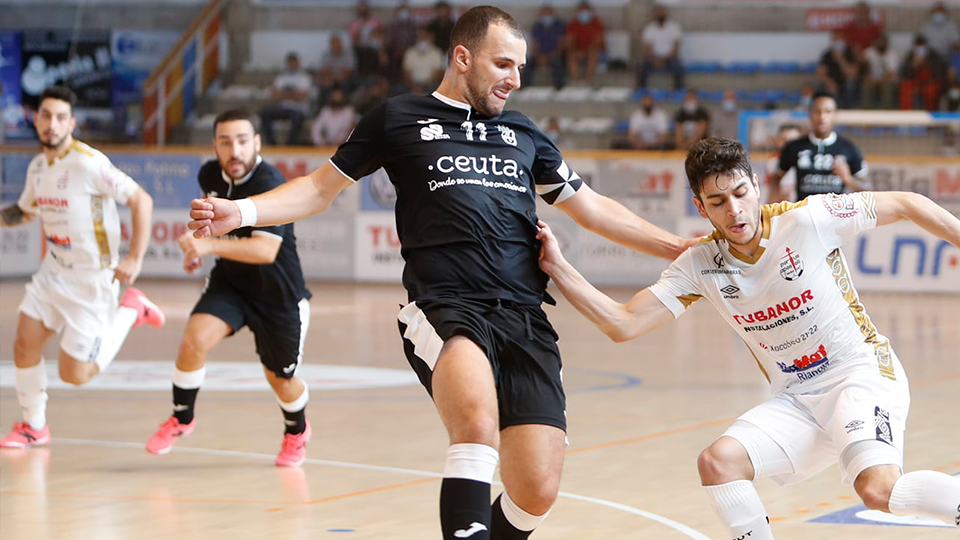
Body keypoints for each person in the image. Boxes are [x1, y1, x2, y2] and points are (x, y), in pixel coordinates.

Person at [186, 7, 691, 539]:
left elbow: (593, 208)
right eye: (502, 64)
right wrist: (241, 212)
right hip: (446, 306)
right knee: (476, 424)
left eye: (520, 67)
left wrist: (678, 245)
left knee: (536, 488)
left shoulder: (523, 133)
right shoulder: (397, 119)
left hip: (524, 315)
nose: (514, 79)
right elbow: (318, 188)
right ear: (462, 57)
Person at [536, 137, 960, 539]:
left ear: (757, 185)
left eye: (741, 193)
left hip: (860, 374)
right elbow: (622, 323)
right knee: (718, 463)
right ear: (700, 207)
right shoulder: (699, 264)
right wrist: (558, 267)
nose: (735, 210)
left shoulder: (808, 219)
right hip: (798, 396)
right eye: (718, 202)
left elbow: (908, 203)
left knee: (879, 491)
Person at [146, 110, 314, 467]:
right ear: (215, 146)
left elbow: (265, 250)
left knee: (281, 380)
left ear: (256, 143)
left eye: (241, 141)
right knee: (193, 340)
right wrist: (198, 246)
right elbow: (214, 227)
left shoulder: (272, 182)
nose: (233, 150)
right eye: (225, 142)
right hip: (232, 284)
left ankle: (296, 430)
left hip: (278, 296)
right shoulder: (209, 174)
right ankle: (182, 418)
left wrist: (207, 246)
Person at [0, 85, 164, 448]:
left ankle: (130, 309)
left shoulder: (88, 162)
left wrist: (135, 257)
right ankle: (34, 426)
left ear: (71, 123)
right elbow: (25, 211)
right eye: (46, 116)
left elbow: (141, 199)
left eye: (60, 118)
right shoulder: (38, 166)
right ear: (37, 119)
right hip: (51, 274)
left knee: (74, 374)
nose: (52, 124)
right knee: (24, 345)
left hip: (91, 282)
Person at [768, 90, 869, 203]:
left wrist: (848, 179)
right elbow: (776, 179)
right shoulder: (794, 147)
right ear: (810, 113)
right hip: (803, 215)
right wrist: (775, 203)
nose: (822, 117)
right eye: (817, 111)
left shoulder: (849, 148)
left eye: (828, 112)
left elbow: (867, 189)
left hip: (836, 217)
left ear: (835, 115)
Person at [259, 52, 314, 146]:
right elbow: (274, 96)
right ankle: (272, 144)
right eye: (290, 63)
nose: (292, 65)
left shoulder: (304, 78)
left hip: (298, 110)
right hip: (283, 109)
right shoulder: (281, 78)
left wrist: (283, 94)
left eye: (294, 62)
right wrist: (293, 94)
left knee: (297, 118)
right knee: (264, 113)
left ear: (298, 63)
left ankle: (290, 145)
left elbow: (301, 97)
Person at [637, 5, 684, 91]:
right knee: (641, 68)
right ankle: (642, 92)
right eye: (658, 12)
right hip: (653, 57)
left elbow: (676, 48)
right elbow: (646, 48)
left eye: (662, 12)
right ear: (654, 14)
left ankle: (678, 92)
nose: (660, 14)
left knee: (678, 68)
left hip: (669, 57)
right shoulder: (649, 28)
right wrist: (653, 59)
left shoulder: (673, 27)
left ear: (666, 13)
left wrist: (664, 59)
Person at [527, 3, 566, 89]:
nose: (546, 16)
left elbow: (561, 44)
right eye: (544, 13)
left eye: (548, 13)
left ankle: (559, 88)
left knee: (558, 63)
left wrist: (550, 56)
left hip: (554, 54)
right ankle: (524, 88)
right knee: (528, 62)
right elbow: (535, 44)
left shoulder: (559, 25)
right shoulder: (537, 26)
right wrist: (538, 56)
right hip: (540, 55)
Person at [565, 1, 605, 84]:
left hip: (593, 50)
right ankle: (576, 81)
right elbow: (570, 41)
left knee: (592, 54)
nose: (583, 13)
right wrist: (577, 51)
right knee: (571, 55)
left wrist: (585, 52)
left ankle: (587, 81)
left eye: (585, 11)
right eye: (581, 11)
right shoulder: (573, 24)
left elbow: (597, 41)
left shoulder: (596, 23)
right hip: (578, 50)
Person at [817, 30, 860, 108]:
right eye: (835, 39)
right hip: (832, 82)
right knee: (822, 86)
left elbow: (853, 73)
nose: (837, 41)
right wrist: (829, 81)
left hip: (846, 82)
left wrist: (840, 59)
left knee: (851, 84)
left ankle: (849, 109)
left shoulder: (850, 52)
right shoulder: (827, 54)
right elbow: (821, 72)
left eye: (839, 39)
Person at [763, 123, 801, 204]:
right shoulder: (773, 161)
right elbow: (768, 189)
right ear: (778, 141)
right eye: (784, 140)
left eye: (793, 141)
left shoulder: (804, 161)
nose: (789, 145)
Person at [859, 34, 899, 109]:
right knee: (866, 85)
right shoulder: (868, 52)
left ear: (887, 43)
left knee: (887, 86)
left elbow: (891, 74)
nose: (881, 43)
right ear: (874, 42)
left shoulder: (892, 54)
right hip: (872, 80)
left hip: (887, 81)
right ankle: (866, 112)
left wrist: (879, 81)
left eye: (883, 41)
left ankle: (885, 112)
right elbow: (864, 70)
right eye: (879, 41)